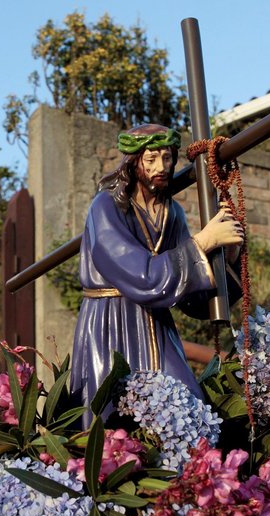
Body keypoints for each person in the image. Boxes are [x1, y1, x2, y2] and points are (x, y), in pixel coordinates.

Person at [70, 124, 244, 427]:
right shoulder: (106, 207)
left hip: (157, 327)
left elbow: (189, 294)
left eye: (167, 158)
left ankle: (196, 474)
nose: (160, 167)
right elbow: (142, 276)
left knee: (191, 414)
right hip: (111, 325)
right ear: (133, 161)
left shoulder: (171, 212)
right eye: (151, 159)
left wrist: (224, 255)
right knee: (110, 421)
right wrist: (203, 242)